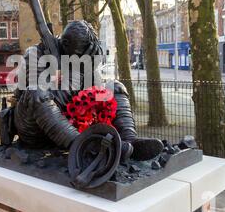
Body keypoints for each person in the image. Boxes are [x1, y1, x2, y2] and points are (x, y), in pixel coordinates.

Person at [13, 20, 164, 162]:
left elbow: (94, 89)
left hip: (71, 122)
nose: (80, 59)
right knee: (36, 92)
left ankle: (130, 141)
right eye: (79, 55)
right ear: (65, 44)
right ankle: (82, 147)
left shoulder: (83, 55)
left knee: (115, 87)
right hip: (35, 127)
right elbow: (29, 93)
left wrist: (89, 67)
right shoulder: (35, 53)